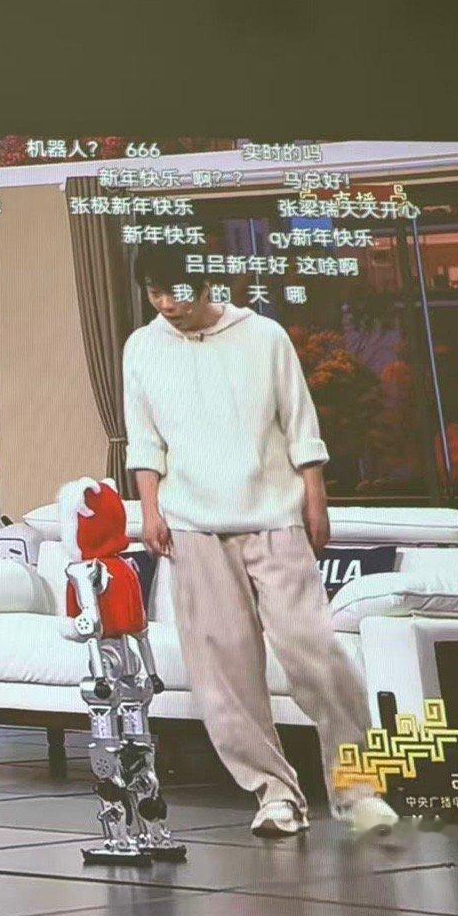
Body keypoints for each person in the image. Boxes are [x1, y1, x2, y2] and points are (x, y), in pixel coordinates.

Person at [122, 248, 399, 838]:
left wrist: (314, 500)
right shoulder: (142, 347)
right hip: (192, 524)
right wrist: (150, 510)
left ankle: (360, 790)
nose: (167, 304)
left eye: (177, 290)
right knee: (223, 673)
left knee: (313, 651)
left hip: (275, 516)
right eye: (154, 293)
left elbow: (300, 423)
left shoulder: (263, 336)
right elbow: (144, 440)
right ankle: (274, 793)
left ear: (205, 282)